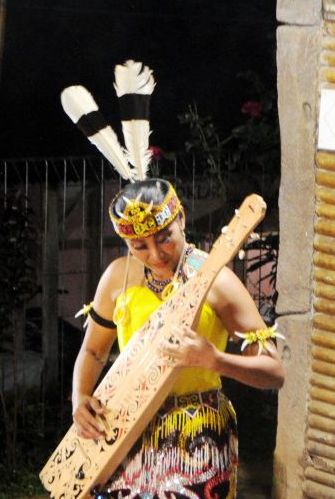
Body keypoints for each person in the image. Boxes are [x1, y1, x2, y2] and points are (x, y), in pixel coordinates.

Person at [62, 61, 284, 498]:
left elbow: (274, 372)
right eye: (140, 246)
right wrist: (79, 399)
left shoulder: (215, 280)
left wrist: (215, 360)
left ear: (181, 217)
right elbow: (93, 350)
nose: (157, 253)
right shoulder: (117, 279)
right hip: (126, 430)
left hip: (199, 438)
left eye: (164, 237)